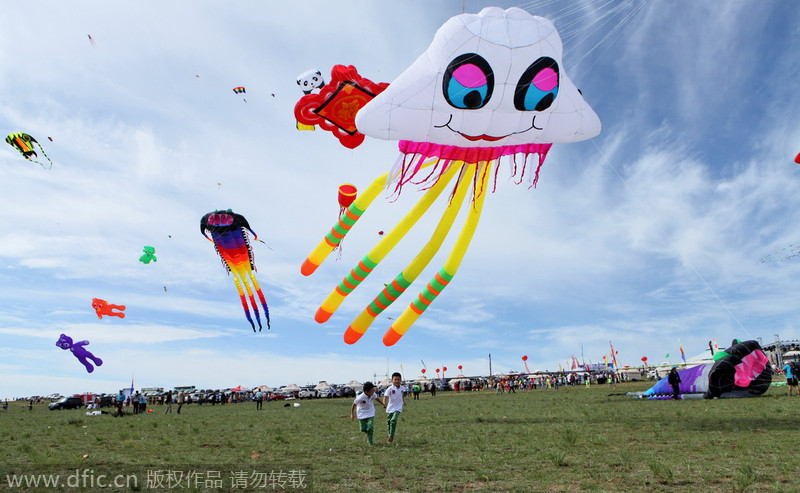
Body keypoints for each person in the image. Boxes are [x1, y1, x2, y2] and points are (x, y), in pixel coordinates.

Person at [350, 382, 386, 447]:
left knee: (370, 427)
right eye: (372, 390)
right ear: (366, 391)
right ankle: (366, 430)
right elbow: (353, 405)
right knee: (362, 429)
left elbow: (376, 398)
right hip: (362, 413)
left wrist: (382, 403)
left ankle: (370, 442)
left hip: (370, 412)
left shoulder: (373, 394)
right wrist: (352, 414)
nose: (373, 391)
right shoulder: (360, 397)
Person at [383, 372, 407, 443]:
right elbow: (385, 396)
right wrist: (384, 403)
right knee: (389, 421)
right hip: (390, 407)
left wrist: (403, 401)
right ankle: (389, 433)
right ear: (392, 380)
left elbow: (402, 394)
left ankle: (391, 435)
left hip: (398, 407)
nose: (397, 381)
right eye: (395, 379)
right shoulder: (390, 388)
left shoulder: (402, 388)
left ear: (401, 380)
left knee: (393, 420)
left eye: (398, 379)